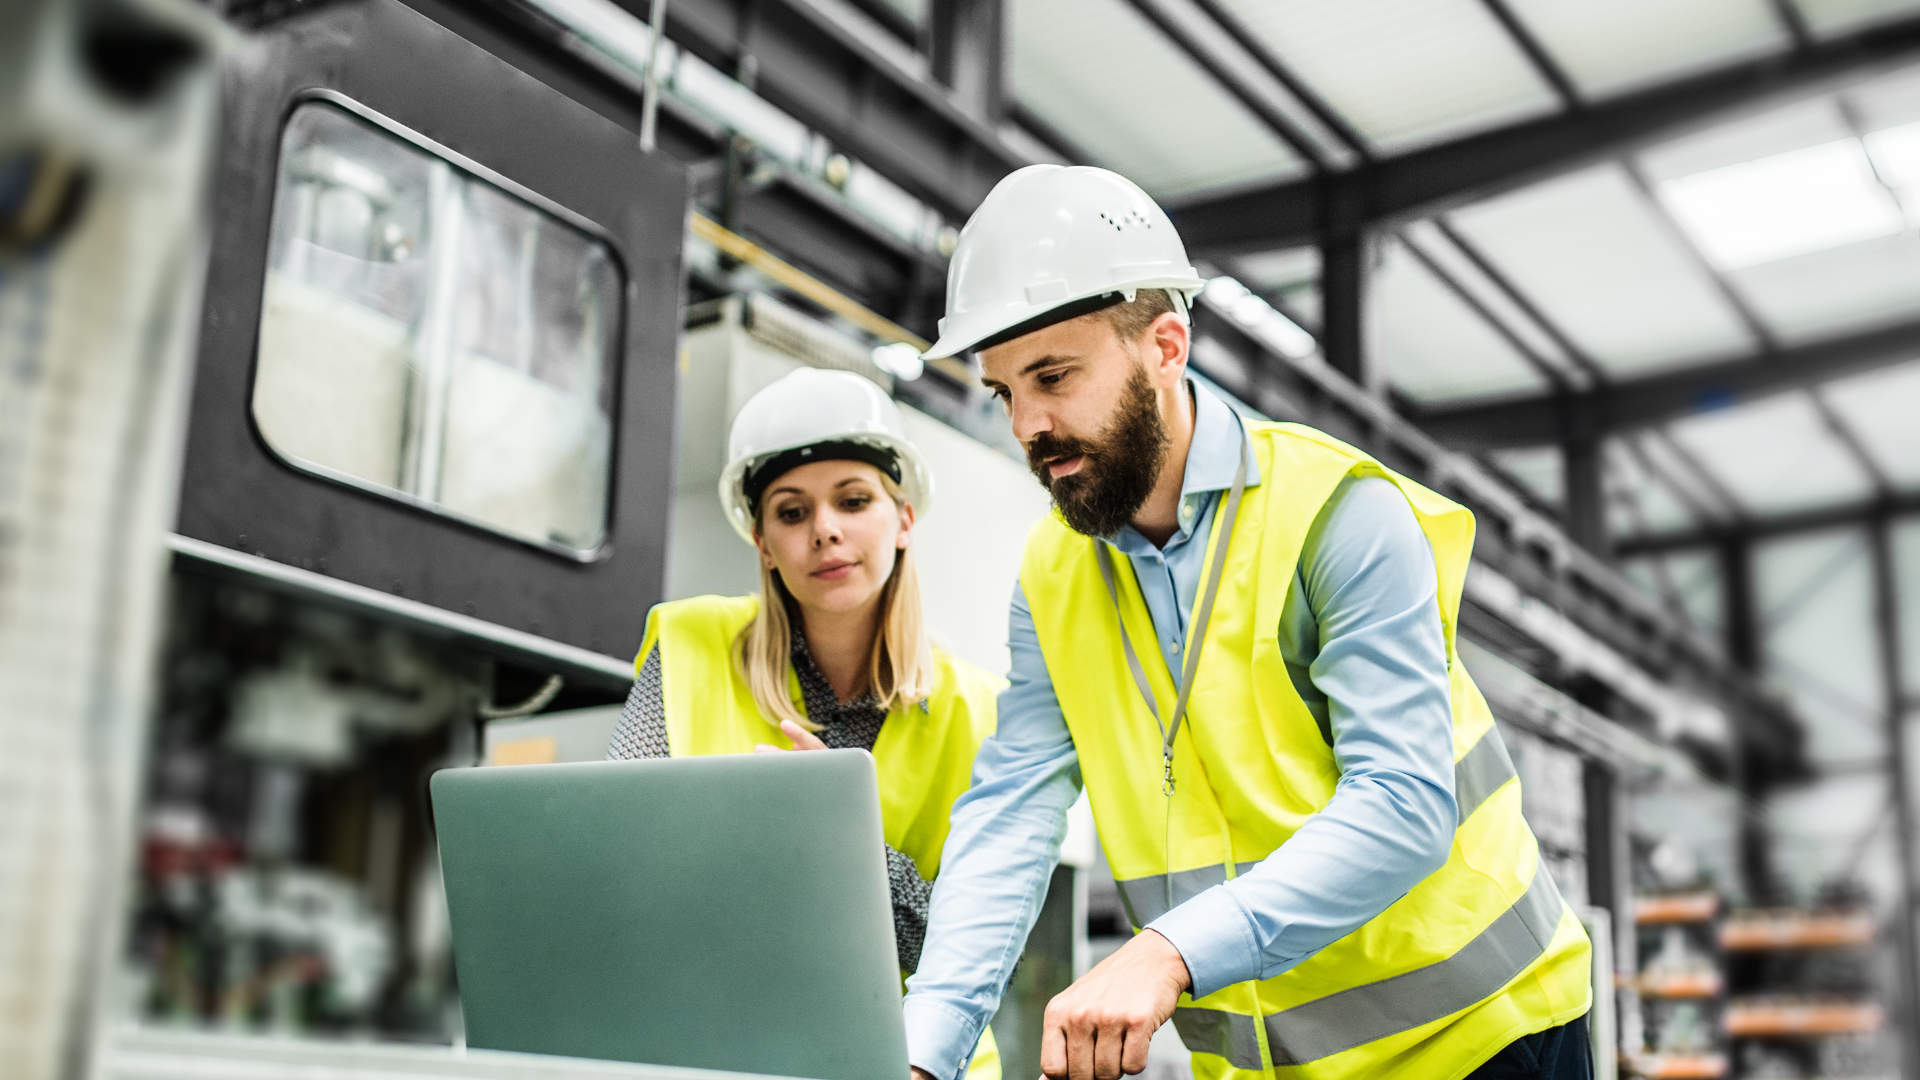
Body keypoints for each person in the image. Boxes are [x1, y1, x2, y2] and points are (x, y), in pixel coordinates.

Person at [900, 166, 1594, 1080]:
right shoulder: (1053, 576)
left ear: (1166, 346)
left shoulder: (1338, 515)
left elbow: (1405, 802)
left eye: (1054, 377)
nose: (1028, 424)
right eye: (1003, 393)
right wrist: (921, 1053)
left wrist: (1166, 953)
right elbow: (1009, 816)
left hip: (1483, 1042)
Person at [606, 367, 1003, 1080]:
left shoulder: (978, 710)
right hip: (720, 1050)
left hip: (914, 1062)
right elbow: (618, 859)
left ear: (903, 518)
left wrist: (834, 833)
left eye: (853, 501)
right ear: (762, 543)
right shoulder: (689, 645)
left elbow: (965, 946)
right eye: (791, 513)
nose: (825, 531)